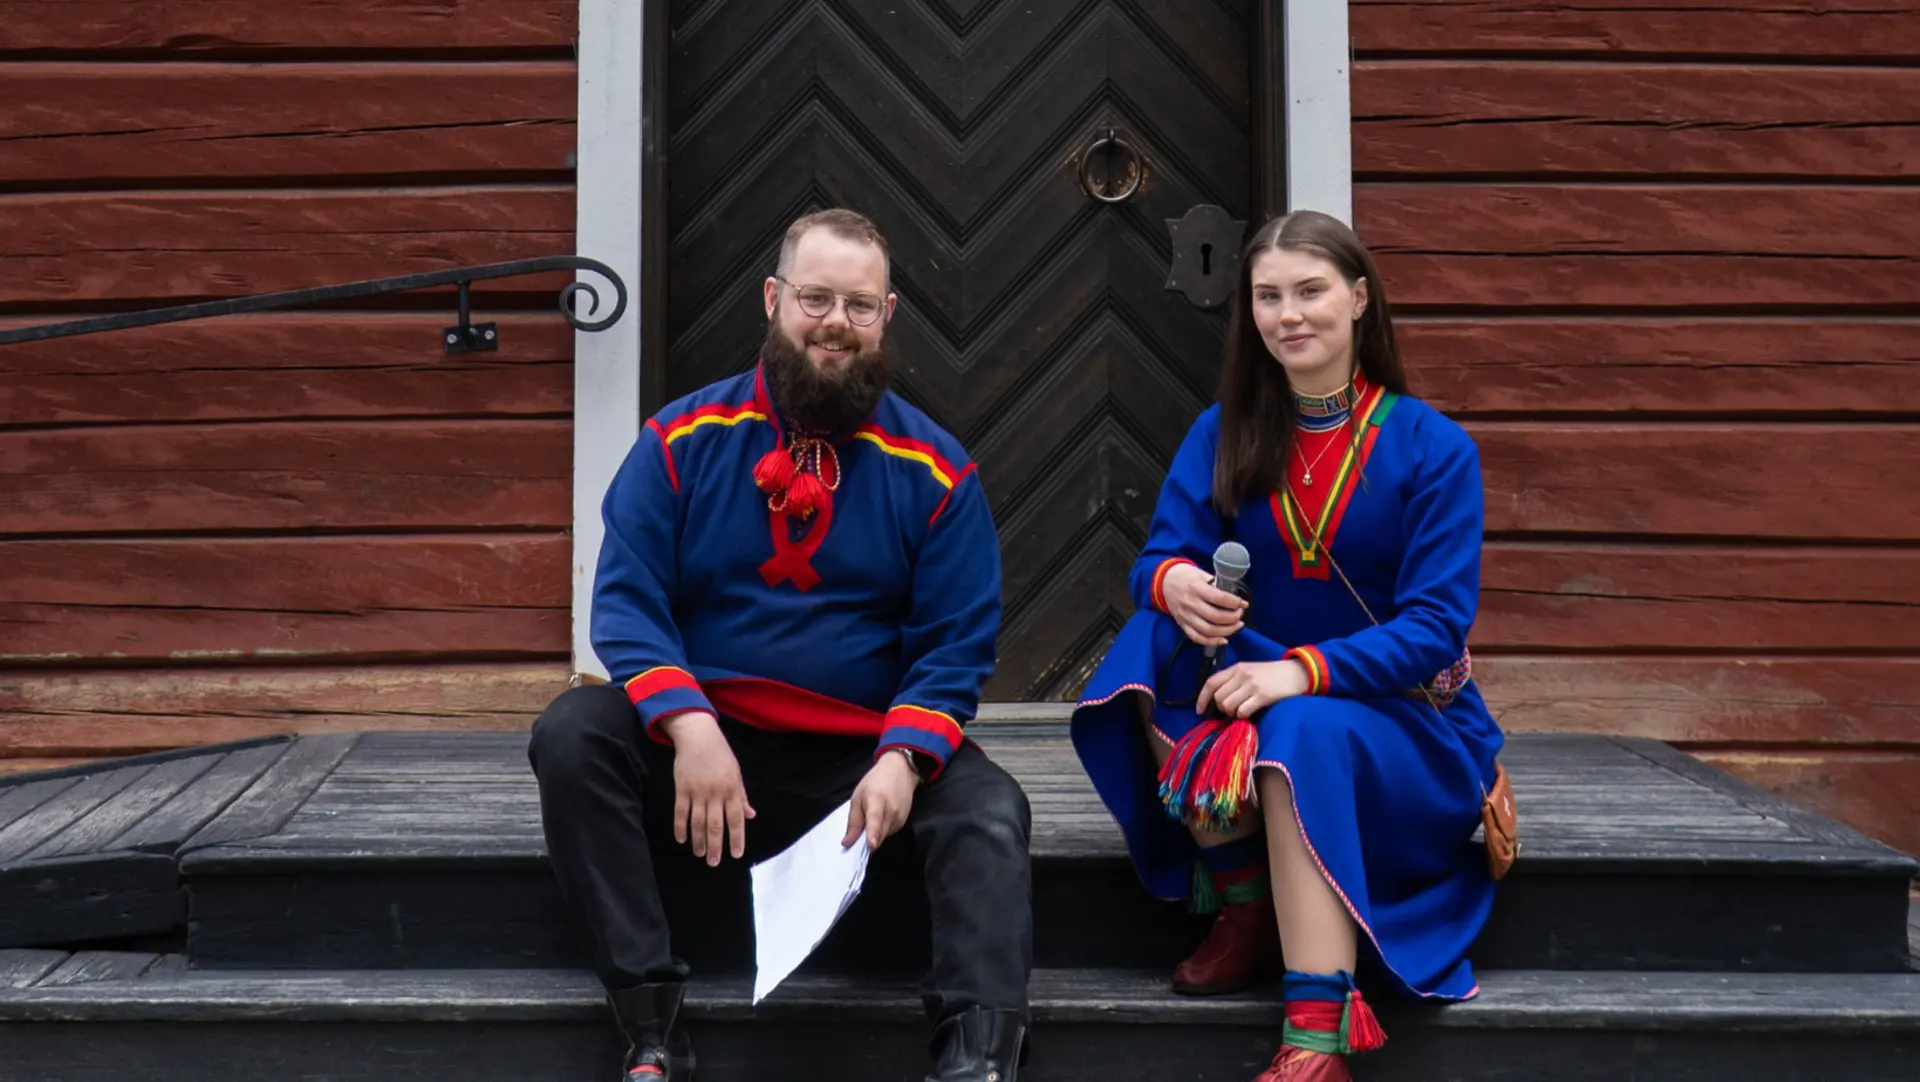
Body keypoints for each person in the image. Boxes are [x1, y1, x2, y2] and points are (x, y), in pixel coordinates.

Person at [529, 208, 1033, 1082]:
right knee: (572, 735)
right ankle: (652, 1032)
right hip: (709, 751)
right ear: (773, 299)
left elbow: (956, 643)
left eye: (859, 305)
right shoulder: (679, 443)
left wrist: (905, 760)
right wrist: (688, 725)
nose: (835, 321)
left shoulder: (940, 470)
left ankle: (976, 1061)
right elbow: (625, 601)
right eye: (815, 298)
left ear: (887, 317)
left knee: (991, 813)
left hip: (863, 760)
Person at [1068, 210, 1505, 1081]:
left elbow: (1433, 631)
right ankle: (1246, 905)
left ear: (1358, 298)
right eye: (1268, 296)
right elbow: (1156, 558)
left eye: (1309, 291)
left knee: (1301, 731)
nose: (1288, 314)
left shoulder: (1434, 448)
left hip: (1406, 725)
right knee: (1153, 641)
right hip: (1264, 688)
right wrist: (1173, 584)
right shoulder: (1222, 432)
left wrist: (1296, 674)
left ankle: (1316, 1040)